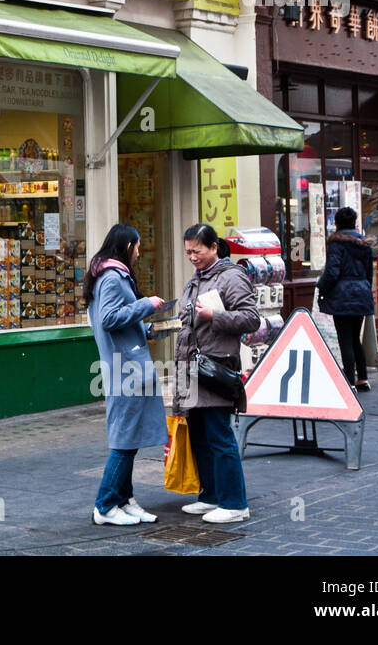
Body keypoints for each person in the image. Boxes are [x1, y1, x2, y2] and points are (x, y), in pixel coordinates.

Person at [173, 222, 259, 524]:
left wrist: (214, 316)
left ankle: (235, 503)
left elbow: (251, 319)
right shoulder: (196, 279)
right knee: (200, 436)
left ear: (213, 248)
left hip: (215, 368)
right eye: (188, 252)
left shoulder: (231, 277)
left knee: (220, 436)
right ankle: (210, 495)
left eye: (197, 251)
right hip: (193, 370)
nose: (192, 257)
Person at [84, 223, 167, 526]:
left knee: (130, 438)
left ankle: (124, 498)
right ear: (126, 246)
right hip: (125, 370)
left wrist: (145, 329)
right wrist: (146, 305)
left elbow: (118, 320)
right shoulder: (111, 277)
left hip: (128, 366)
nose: (139, 251)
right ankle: (105, 505)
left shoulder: (111, 275)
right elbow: (108, 318)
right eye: (137, 245)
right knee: (124, 440)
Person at [316, 206, 374, 391]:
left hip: (342, 295)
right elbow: (369, 272)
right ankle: (363, 378)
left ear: (337, 223)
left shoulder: (336, 243)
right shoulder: (364, 244)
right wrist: (365, 289)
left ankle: (349, 381)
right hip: (361, 292)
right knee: (355, 337)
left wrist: (321, 287)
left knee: (345, 339)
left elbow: (332, 272)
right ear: (355, 223)